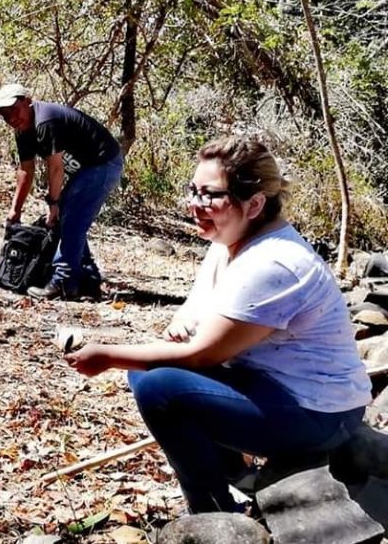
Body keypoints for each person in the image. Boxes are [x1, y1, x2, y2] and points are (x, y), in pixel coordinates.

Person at [65, 136, 371, 513]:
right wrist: (180, 324)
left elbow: (201, 355)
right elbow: (195, 311)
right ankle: (236, 476)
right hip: (273, 386)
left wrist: (109, 355)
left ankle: (212, 512)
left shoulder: (275, 262)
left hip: (322, 412)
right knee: (145, 372)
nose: (195, 204)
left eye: (209, 195)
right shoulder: (227, 242)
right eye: (193, 190)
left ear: (254, 204)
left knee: (161, 388)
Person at [0, 83, 123, 299]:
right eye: (5, 115)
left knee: (71, 220)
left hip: (103, 163)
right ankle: (88, 280)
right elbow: (26, 170)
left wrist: (53, 204)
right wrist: (15, 210)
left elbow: (55, 168)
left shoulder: (45, 121)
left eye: (14, 110)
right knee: (68, 219)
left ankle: (63, 281)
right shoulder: (22, 131)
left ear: (27, 101)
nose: (11, 118)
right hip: (87, 169)